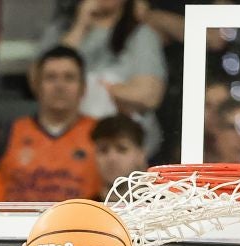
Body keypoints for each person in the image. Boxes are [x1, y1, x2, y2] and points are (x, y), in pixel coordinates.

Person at [40, 0, 165, 151]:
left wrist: (108, 89)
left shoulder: (140, 34)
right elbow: (40, 80)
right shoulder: (60, 30)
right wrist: (80, 25)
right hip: (66, 144)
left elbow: (149, 96)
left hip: (123, 146)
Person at [0, 46, 103, 202]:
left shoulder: (102, 133)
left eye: (69, 78)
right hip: (15, 224)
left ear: (83, 87)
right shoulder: (8, 132)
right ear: (36, 85)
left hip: (82, 223)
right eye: (51, 77)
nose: (60, 86)